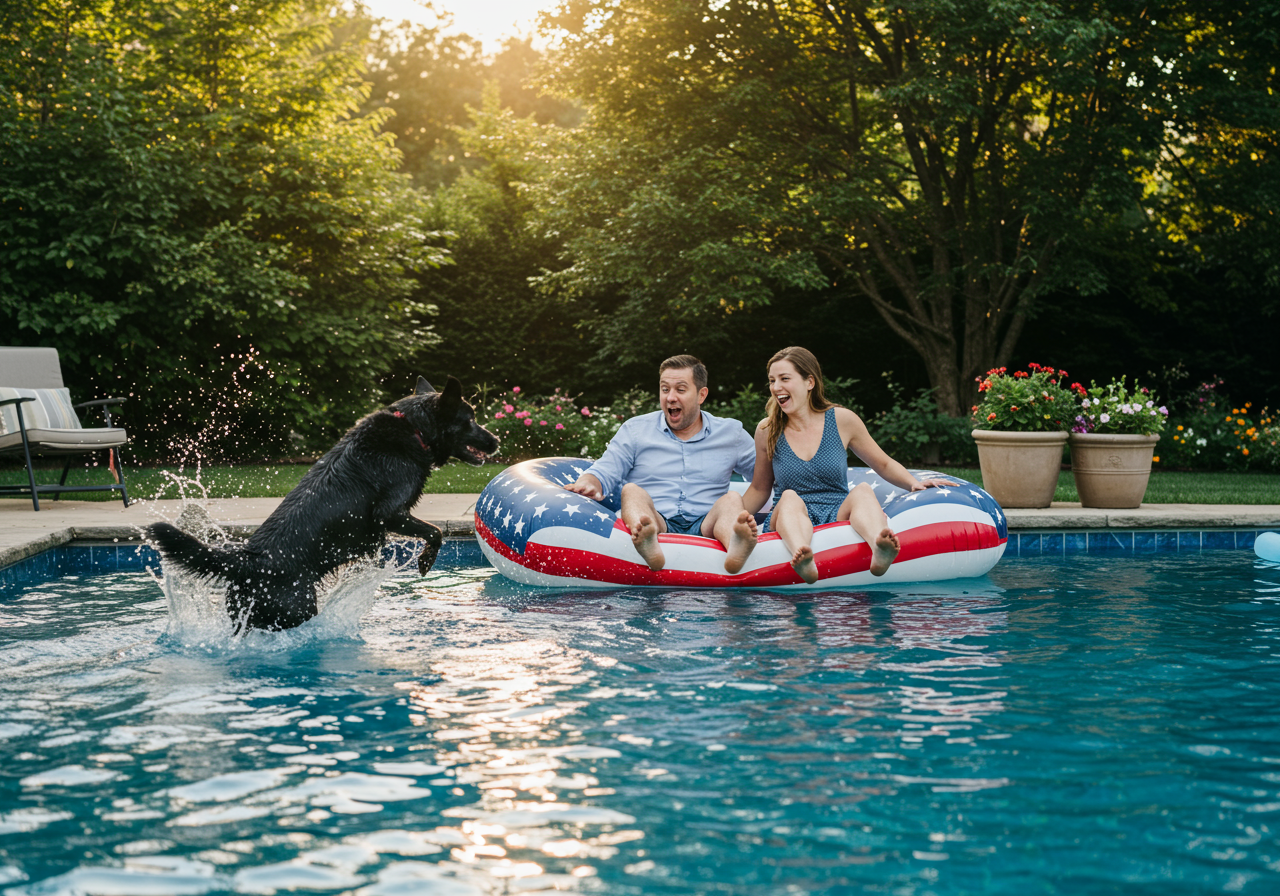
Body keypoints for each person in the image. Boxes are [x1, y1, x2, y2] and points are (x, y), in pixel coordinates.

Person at [741, 347, 958, 584]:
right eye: (772, 381)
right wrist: (734, 518)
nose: (775, 387)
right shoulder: (768, 429)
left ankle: (880, 546)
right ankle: (803, 556)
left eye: (784, 379)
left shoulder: (842, 420)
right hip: (789, 513)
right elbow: (761, 488)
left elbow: (882, 463)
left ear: (809, 382)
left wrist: (913, 483)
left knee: (863, 490)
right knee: (791, 497)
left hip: (836, 509)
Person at [566, 355, 759, 573]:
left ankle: (736, 544)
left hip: (708, 523)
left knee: (732, 498)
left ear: (701, 395)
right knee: (631, 491)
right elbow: (605, 469)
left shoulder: (730, 433)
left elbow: (764, 478)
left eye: (681, 389)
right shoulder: (636, 430)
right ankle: (647, 540)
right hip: (657, 520)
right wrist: (589, 482)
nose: (670, 397)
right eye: (665, 389)